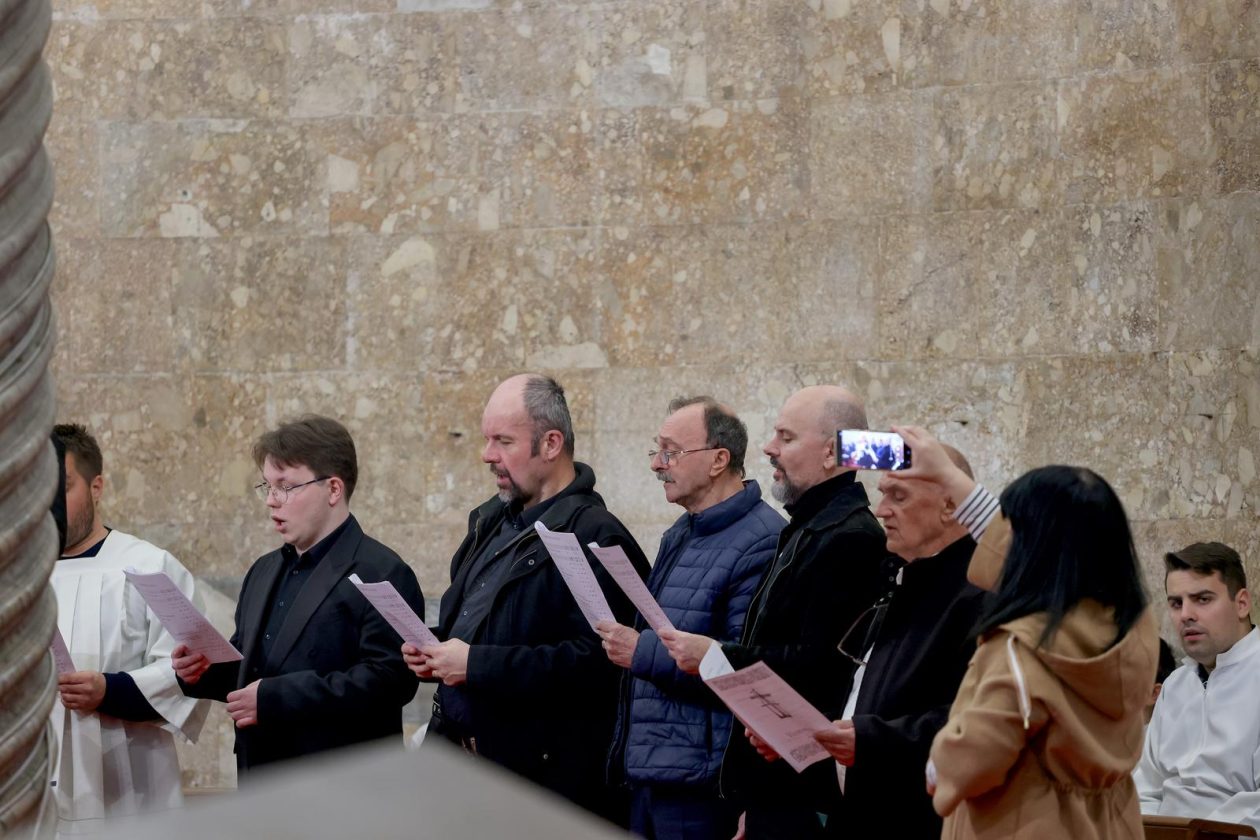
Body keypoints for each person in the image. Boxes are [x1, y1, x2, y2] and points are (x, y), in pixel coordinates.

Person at [405, 374, 650, 823]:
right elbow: (486, 627)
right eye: (486, 440)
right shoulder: (489, 523)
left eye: (503, 441)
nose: (487, 455)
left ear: (551, 443)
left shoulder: (596, 534)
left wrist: (475, 664)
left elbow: (602, 665)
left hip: (537, 790)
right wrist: (437, 651)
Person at [897, 426, 1157, 840]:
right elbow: (1021, 564)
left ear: (1030, 546)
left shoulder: (1023, 646)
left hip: (1024, 823)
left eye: (1014, 529)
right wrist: (948, 474)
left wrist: (939, 765)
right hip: (1109, 824)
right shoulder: (1135, 630)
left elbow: (976, 756)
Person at [660, 385, 887, 840]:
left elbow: (819, 669)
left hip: (802, 793)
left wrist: (716, 656)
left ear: (829, 454)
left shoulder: (850, 538)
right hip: (771, 786)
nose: (768, 447)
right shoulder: (806, 525)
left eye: (785, 437)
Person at [173, 415, 424, 775]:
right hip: (260, 776)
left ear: (333, 489)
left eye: (285, 487)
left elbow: (391, 682)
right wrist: (203, 671)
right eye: (267, 487)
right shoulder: (262, 570)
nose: (271, 502)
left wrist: (278, 697)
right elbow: (250, 668)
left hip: (339, 784)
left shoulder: (382, 571)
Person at [597, 396, 784, 840]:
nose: (658, 465)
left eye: (672, 451)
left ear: (719, 459)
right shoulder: (680, 532)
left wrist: (640, 651)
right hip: (651, 773)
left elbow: (745, 668)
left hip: (701, 784)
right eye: (656, 450)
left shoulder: (761, 541)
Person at [807, 443, 988, 837]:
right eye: (882, 492)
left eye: (898, 495)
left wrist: (872, 740)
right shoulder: (903, 581)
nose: (880, 509)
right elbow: (869, 699)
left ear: (949, 506)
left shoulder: (980, 597)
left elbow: (976, 720)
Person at [49, 423, 209, 833]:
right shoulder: (19, 577)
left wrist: (111, 690)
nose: (48, 504)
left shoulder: (149, 567)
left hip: (128, 786)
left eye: (62, 487)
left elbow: (189, 672)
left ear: (96, 486)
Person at [1135, 542, 1259, 831]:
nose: (1185, 615)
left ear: (1241, 604)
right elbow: (1146, 789)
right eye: (1176, 603)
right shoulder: (1175, 687)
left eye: (1202, 599)